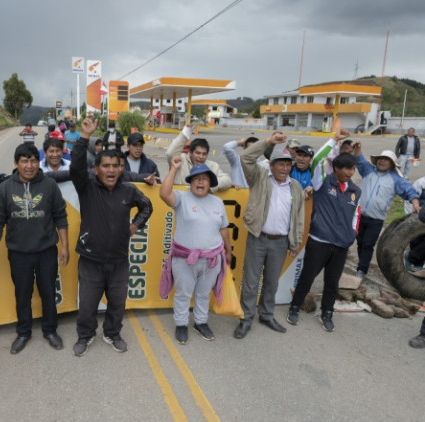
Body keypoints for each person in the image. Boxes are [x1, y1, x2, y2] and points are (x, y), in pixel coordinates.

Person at [70, 117, 153, 356]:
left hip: (119, 262)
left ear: (121, 168)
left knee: (117, 303)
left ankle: (112, 333)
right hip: (90, 261)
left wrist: (134, 226)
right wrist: (84, 137)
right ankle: (85, 336)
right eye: (105, 166)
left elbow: (147, 207)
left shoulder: (128, 189)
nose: (110, 170)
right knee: (86, 306)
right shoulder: (86, 187)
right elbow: (76, 167)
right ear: (96, 169)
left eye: (115, 166)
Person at [0, 143, 69, 354]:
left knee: (48, 292)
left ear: (38, 162)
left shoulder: (49, 184)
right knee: (22, 294)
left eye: (33, 160)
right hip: (18, 253)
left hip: (46, 251)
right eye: (24, 161)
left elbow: (60, 216)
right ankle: (23, 332)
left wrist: (65, 246)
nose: (29, 165)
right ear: (16, 163)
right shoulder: (6, 188)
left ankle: (50, 330)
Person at [234, 135, 305, 339]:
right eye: (280, 164)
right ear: (271, 166)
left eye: (287, 165)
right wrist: (269, 142)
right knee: (250, 282)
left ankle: (266, 314)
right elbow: (245, 158)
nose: (284, 168)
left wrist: (295, 242)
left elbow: (298, 216)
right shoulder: (260, 178)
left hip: (280, 243)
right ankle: (246, 318)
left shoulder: (295, 188)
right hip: (258, 238)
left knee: (272, 282)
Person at [286, 152, 361, 332]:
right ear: (336, 168)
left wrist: (351, 235)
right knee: (307, 277)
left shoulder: (355, 191)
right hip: (319, 240)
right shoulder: (323, 182)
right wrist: (333, 141)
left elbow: (356, 216)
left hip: (341, 245)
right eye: (346, 169)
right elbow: (318, 159)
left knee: (332, 283)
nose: (350, 173)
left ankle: (327, 313)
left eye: (353, 169)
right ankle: (294, 307)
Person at [160, 161, 232, 344]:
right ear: (191, 182)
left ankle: (200, 322)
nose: (200, 182)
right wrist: (174, 169)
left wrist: (228, 250)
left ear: (210, 183)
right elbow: (164, 193)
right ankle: (181, 324)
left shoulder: (217, 202)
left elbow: (224, 229)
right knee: (183, 293)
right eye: (197, 179)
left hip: (211, 259)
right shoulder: (182, 198)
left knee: (203, 293)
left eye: (205, 179)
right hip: (184, 259)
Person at [351, 145, 420, 279]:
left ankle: (361, 270)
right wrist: (358, 148)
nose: (382, 161)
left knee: (368, 244)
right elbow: (359, 159)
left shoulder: (396, 180)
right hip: (359, 216)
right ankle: (361, 264)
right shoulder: (368, 171)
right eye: (380, 159)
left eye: (386, 160)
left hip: (376, 220)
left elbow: (409, 191)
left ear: (392, 164)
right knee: (360, 242)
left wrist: (415, 204)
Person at [166, 124, 232, 192]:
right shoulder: (180, 160)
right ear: (190, 153)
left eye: (204, 154)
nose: (201, 157)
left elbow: (227, 180)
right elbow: (170, 153)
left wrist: (209, 185)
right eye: (198, 153)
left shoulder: (213, 166)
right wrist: (185, 133)